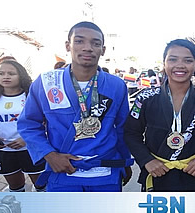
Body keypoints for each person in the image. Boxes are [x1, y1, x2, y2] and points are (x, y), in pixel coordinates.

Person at [18, 21, 133, 191]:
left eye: (96, 43)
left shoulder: (116, 85)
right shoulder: (47, 83)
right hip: (63, 171)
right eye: (79, 41)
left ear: (103, 50)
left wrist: (124, 160)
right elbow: (28, 124)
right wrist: (49, 155)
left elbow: (123, 128)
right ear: (68, 45)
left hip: (105, 173)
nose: (88, 48)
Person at [125, 39, 195, 192]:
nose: (180, 65)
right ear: (164, 64)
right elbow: (131, 133)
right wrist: (146, 160)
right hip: (156, 173)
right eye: (172, 59)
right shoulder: (146, 98)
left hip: (193, 175)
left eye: (188, 60)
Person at [0, 57, 46, 192]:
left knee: (41, 187)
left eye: (11, 73)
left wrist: (26, 139)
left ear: (21, 75)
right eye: (1, 73)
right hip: (5, 152)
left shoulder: (32, 96)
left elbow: (45, 122)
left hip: (31, 150)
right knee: (16, 188)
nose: (5, 77)